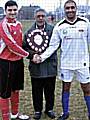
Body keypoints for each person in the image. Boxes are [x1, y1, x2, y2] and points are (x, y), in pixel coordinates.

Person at [34, 0, 90, 120]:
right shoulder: (59, 26)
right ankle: (65, 113)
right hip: (66, 64)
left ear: (76, 8)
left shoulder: (85, 23)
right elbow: (53, 46)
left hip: (83, 63)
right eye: (67, 8)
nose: (70, 10)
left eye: (72, 7)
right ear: (64, 10)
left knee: (87, 88)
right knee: (65, 87)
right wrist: (41, 57)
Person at [23, 8, 57, 120]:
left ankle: (49, 109)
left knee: (50, 90)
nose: (41, 18)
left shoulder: (52, 30)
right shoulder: (29, 32)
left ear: (46, 17)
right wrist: (33, 55)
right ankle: (37, 110)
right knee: (36, 91)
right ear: (35, 17)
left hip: (50, 66)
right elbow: (24, 48)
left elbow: (56, 45)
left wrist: (44, 56)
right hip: (36, 67)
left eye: (43, 16)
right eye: (38, 16)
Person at [0, 1, 30, 120]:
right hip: (6, 62)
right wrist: (29, 55)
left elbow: (20, 43)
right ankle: (6, 118)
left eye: (14, 10)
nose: (12, 12)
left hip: (18, 62)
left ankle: (15, 115)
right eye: (10, 10)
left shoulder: (19, 24)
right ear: (5, 11)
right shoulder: (3, 25)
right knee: (4, 92)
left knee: (16, 89)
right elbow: (11, 45)